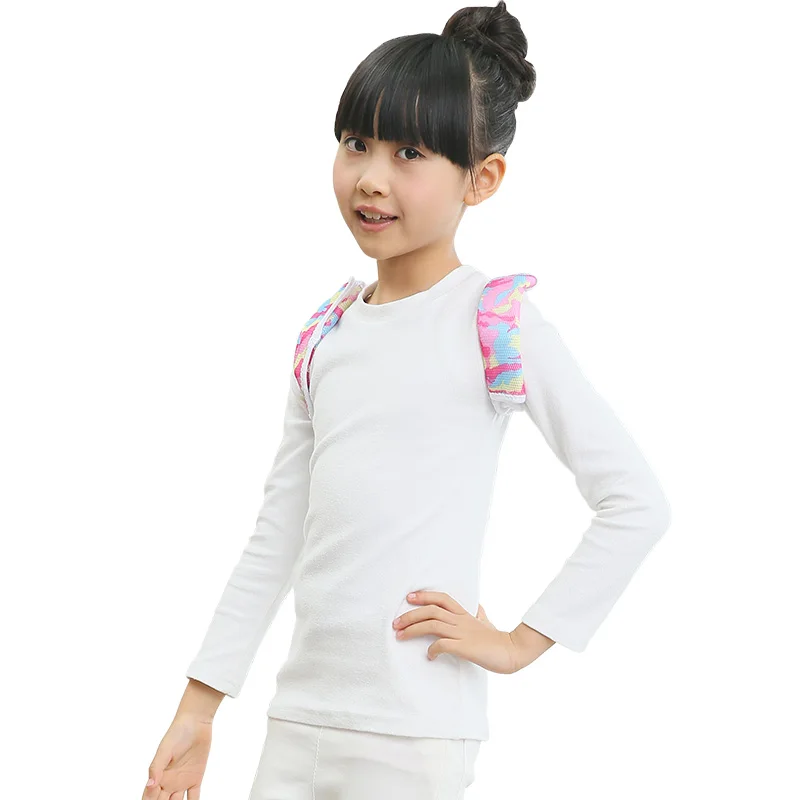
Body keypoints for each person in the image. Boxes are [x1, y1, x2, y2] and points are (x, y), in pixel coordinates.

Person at [142, 2, 671, 798]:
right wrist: (199, 704)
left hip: (415, 737)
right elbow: (278, 532)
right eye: (356, 142)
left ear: (481, 178)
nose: (371, 177)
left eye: (410, 152)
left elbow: (634, 502)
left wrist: (519, 643)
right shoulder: (327, 333)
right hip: (298, 724)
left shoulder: (494, 322)